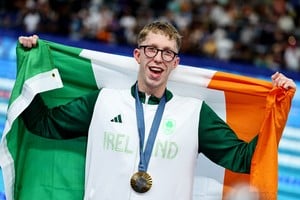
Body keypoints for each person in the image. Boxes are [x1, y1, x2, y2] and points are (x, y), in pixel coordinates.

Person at [18, 21, 296, 199]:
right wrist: (30, 62)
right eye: (151, 49)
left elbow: (245, 159)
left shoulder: (194, 113)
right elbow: (43, 124)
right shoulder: (102, 101)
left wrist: (278, 109)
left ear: (175, 63)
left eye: (167, 52)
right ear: (137, 55)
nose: (158, 58)